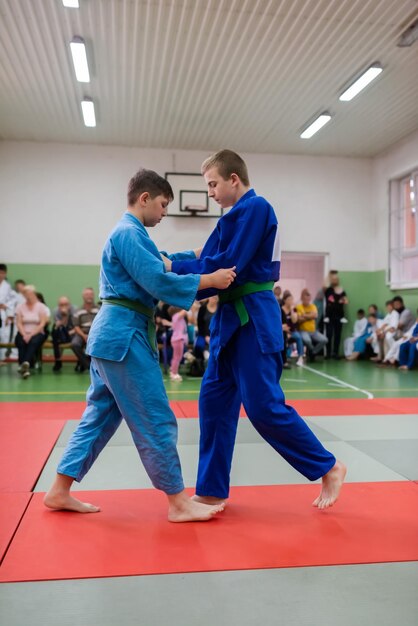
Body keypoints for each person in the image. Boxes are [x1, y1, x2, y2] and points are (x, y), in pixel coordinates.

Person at [44, 168, 236, 523]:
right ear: (145, 198)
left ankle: (59, 490)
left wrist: (200, 251)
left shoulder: (133, 236)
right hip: (123, 337)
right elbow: (157, 279)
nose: (164, 213)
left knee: (99, 416)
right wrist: (210, 279)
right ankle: (178, 502)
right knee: (155, 416)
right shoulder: (128, 233)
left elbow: (163, 260)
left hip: (113, 337)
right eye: (163, 205)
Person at [165, 150, 346, 510]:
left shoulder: (257, 208)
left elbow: (225, 266)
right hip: (227, 322)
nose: (210, 193)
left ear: (234, 179)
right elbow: (205, 258)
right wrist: (168, 261)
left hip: (252, 318)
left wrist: (175, 271)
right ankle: (213, 488)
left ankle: (328, 467)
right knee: (213, 404)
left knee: (262, 407)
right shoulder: (228, 219)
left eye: (213, 184)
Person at [15, 285, 49, 378]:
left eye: (29, 293)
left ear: (33, 294)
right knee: (20, 341)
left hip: (37, 332)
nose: (27, 296)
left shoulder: (41, 306)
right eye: (25, 294)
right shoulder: (20, 307)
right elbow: (19, 323)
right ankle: (25, 368)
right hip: (23, 331)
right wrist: (24, 334)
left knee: (33, 341)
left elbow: (42, 323)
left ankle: (23, 364)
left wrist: (30, 335)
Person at [71, 288, 99, 372]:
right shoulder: (78, 311)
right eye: (87, 294)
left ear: (93, 295)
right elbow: (76, 327)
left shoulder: (99, 309)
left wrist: (91, 335)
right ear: (83, 296)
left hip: (96, 333)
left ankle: (99, 366)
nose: (89, 296)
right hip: (82, 333)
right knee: (75, 344)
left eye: (91, 294)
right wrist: (84, 336)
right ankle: (89, 366)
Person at [296, 288, 328, 361]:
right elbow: (299, 319)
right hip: (303, 331)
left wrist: (304, 315)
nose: (307, 300)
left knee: (324, 340)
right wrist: (310, 316)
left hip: (313, 331)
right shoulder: (299, 307)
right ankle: (312, 352)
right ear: (302, 298)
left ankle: (313, 352)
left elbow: (315, 315)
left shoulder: (313, 306)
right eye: (305, 298)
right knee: (307, 341)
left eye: (308, 298)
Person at [323, 270, 348, 359]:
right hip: (329, 317)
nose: (335, 280)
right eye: (333, 279)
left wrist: (342, 300)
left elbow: (346, 301)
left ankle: (335, 353)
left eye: (336, 279)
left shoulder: (341, 290)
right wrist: (329, 274)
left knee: (338, 335)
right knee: (329, 335)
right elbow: (324, 285)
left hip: (339, 317)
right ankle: (328, 353)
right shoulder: (328, 290)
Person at [51, 297, 76, 372]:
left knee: (76, 341)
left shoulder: (74, 310)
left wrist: (68, 315)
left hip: (73, 332)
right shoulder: (56, 311)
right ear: (58, 305)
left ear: (69, 304)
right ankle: (58, 360)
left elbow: (77, 326)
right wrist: (65, 316)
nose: (63, 307)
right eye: (61, 305)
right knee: (55, 334)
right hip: (62, 332)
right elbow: (59, 325)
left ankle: (80, 363)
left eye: (66, 304)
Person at [281, 292, 304, 367]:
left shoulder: (294, 309)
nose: (291, 301)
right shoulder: (281, 309)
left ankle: (300, 357)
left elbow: (294, 321)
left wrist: (291, 311)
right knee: (284, 338)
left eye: (292, 299)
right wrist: (285, 331)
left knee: (298, 337)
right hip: (283, 331)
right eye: (289, 299)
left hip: (292, 331)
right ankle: (284, 358)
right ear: (285, 300)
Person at [168, 306, 188, 381]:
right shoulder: (176, 316)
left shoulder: (178, 317)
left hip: (178, 339)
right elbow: (185, 310)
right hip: (178, 339)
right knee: (177, 357)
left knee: (176, 357)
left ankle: (173, 372)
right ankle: (174, 373)